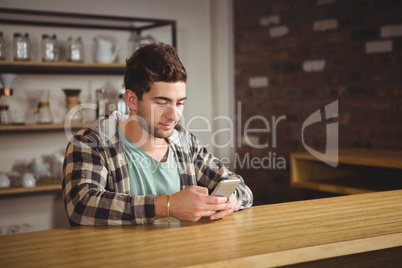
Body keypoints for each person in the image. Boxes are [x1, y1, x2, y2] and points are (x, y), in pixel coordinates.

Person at [62, 43, 253, 226]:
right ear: (132, 100)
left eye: (179, 103)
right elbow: (81, 206)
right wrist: (169, 205)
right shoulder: (91, 142)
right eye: (162, 102)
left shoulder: (185, 143)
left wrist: (231, 201)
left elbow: (242, 189)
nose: (173, 115)